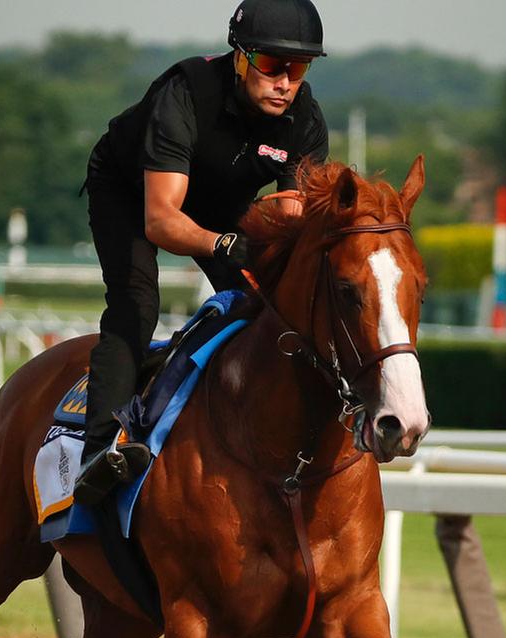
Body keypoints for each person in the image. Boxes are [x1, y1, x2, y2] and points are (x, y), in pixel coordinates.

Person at [74, 0, 331, 504]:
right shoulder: (185, 95)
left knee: (266, 309)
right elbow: (162, 219)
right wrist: (224, 243)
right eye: (270, 65)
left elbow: (295, 216)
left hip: (219, 199)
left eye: (297, 68)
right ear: (239, 57)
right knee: (137, 303)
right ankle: (99, 449)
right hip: (134, 193)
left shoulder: (305, 122)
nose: (284, 81)